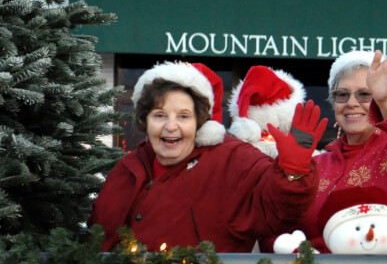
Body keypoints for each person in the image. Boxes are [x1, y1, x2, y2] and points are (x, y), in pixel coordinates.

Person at [88, 61, 327, 252]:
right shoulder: (129, 166)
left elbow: (278, 212)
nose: (170, 126)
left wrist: (293, 171)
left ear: (200, 123)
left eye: (183, 116)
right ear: (145, 120)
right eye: (160, 115)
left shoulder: (234, 158)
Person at [272, 40, 387, 254]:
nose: (351, 102)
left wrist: (385, 101)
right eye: (342, 94)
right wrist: (291, 173)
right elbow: (281, 226)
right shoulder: (317, 166)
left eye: (365, 94)